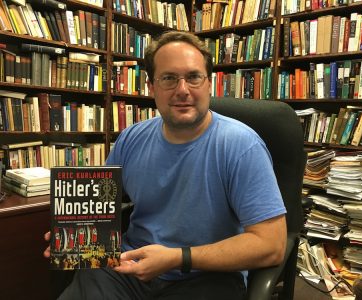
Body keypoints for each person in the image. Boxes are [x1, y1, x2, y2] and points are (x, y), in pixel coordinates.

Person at [44, 31, 287, 299]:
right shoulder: (131, 138)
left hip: (205, 276)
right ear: (152, 87)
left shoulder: (242, 146)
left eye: (193, 77)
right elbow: (103, 204)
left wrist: (177, 258)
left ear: (209, 84)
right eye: (169, 78)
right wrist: (74, 233)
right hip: (129, 266)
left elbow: (271, 245)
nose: (182, 90)